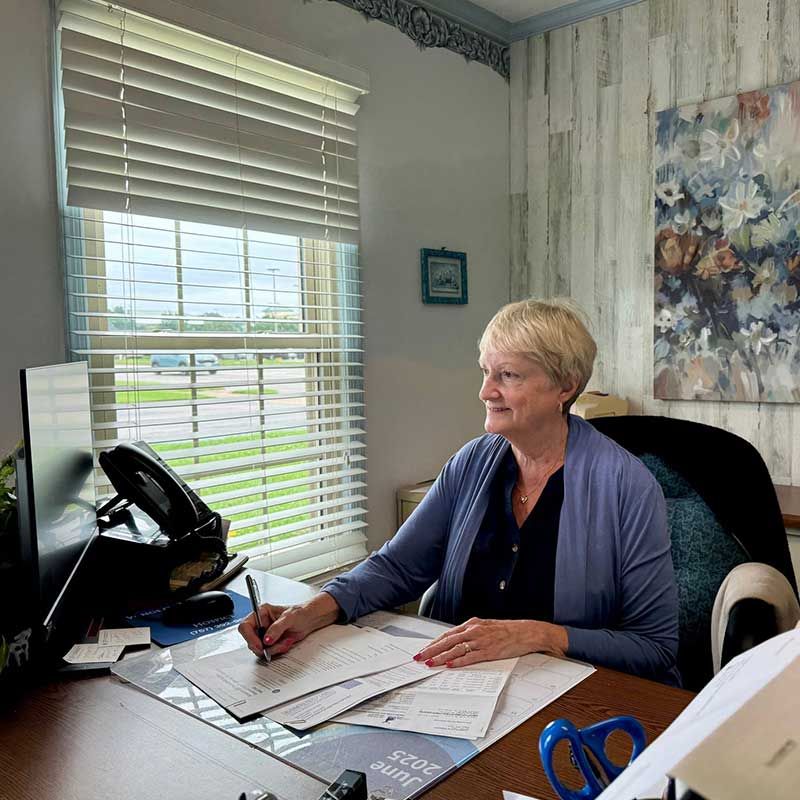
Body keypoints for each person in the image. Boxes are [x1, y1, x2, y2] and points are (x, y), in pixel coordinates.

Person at [240, 298, 680, 685]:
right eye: (487, 372)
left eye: (507, 375)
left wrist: (537, 634)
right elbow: (396, 568)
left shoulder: (628, 486)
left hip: (568, 701)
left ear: (564, 386)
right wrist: (314, 610)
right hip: (456, 687)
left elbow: (655, 648)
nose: (486, 391)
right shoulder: (471, 462)